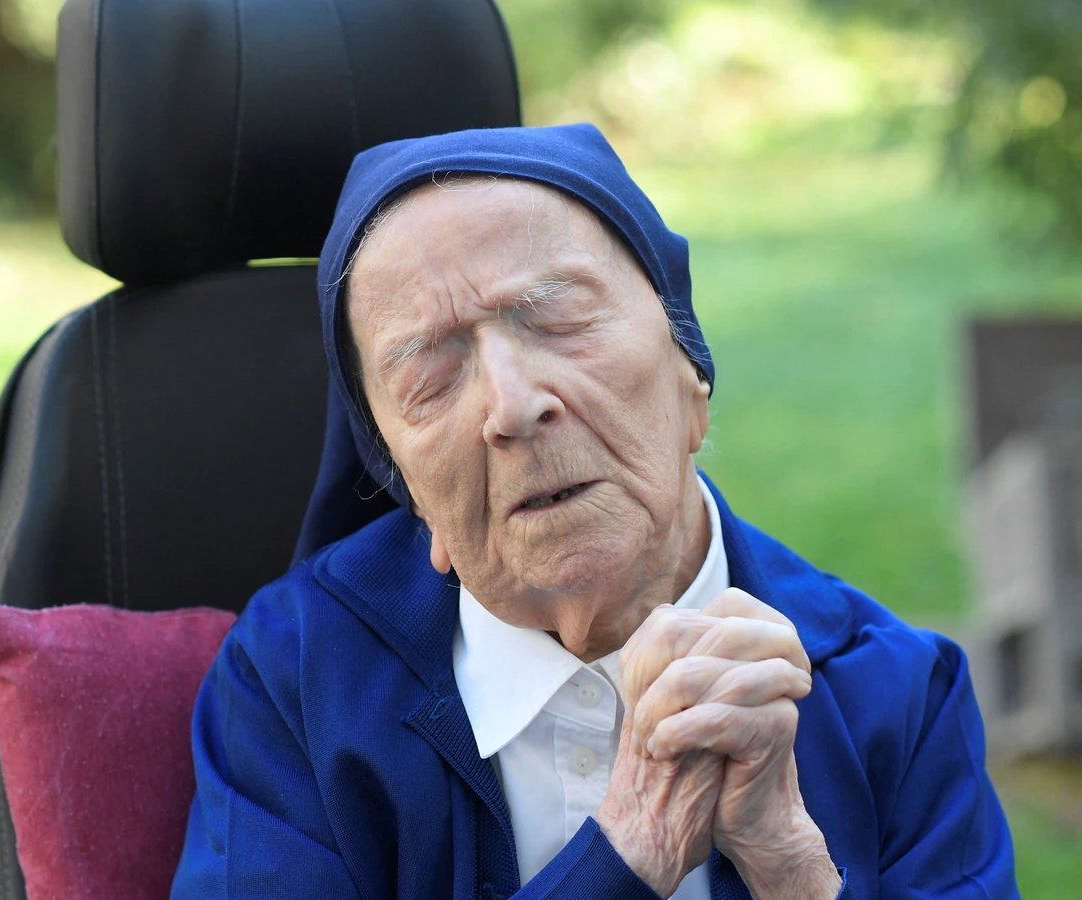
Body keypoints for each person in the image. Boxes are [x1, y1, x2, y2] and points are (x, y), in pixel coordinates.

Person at [170, 124, 1017, 900]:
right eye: (431, 374)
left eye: (559, 317)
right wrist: (632, 848)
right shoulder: (294, 685)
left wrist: (793, 868)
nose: (511, 404)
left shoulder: (894, 695)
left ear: (694, 380)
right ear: (407, 491)